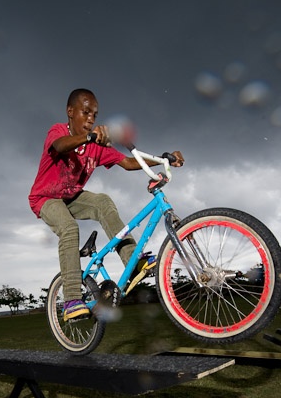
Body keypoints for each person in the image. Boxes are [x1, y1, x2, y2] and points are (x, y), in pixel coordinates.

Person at [29, 88, 184, 321]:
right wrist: (89, 137)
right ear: (70, 112)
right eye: (85, 112)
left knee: (103, 201)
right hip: (45, 198)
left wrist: (164, 159)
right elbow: (60, 146)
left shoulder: (96, 147)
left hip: (72, 197)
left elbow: (129, 162)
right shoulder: (59, 131)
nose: (91, 119)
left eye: (95, 115)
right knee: (69, 228)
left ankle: (132, 260)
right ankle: (71, 300)